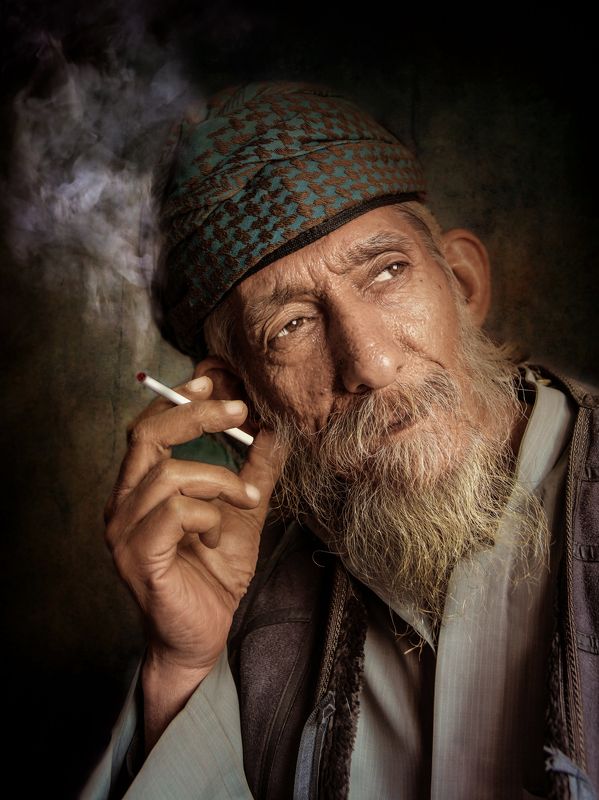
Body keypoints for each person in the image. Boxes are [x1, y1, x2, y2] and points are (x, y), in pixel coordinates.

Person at [81, 80, 598, 800]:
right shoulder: (243, 593)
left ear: (461, 283)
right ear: (237, 394)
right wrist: (185, 670)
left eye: (387, 272)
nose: (371, 364)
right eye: (291, 325)